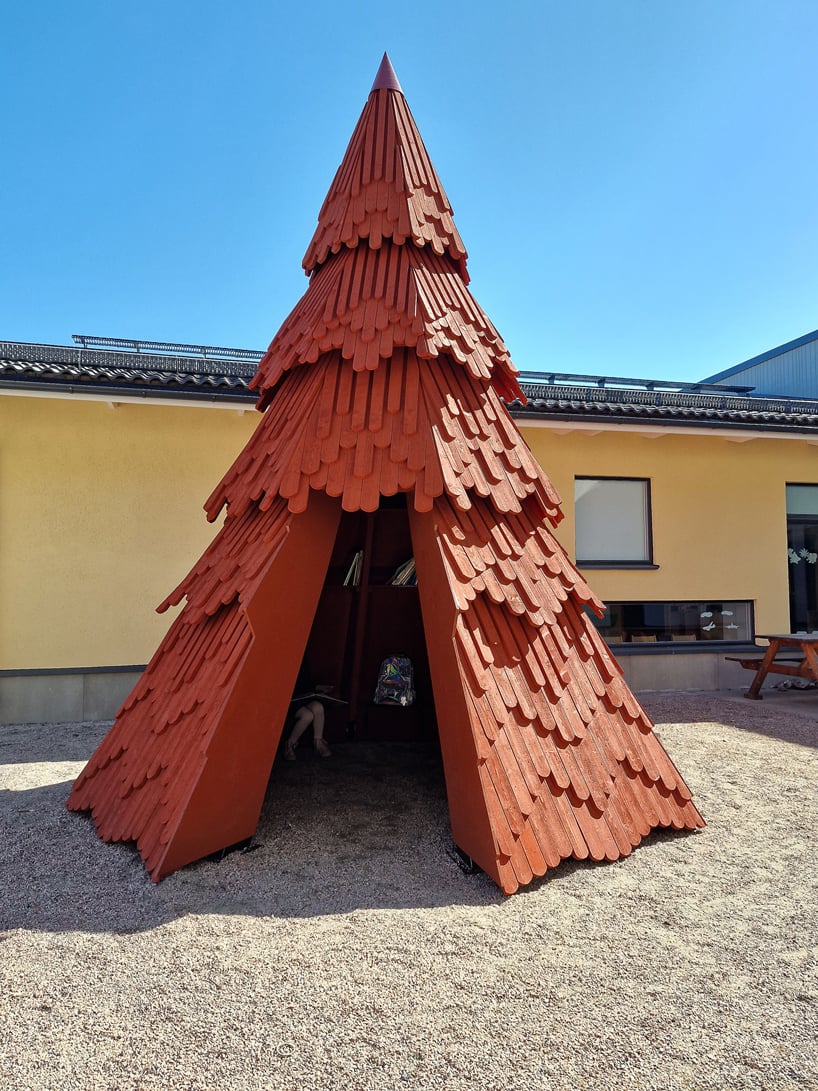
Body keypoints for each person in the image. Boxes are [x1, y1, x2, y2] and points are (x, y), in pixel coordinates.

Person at [284, 662, 332, 760]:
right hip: (290, 700)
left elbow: (305, 682)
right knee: (307, 715)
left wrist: (318, 688)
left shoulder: (303, 662)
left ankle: (318, 743)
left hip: (303, 697)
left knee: (318, 707)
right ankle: (289, 745)